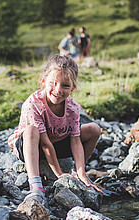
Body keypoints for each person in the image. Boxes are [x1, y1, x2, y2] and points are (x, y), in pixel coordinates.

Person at [7, 55, 103, 206]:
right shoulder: (34, 103)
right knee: (32, 130)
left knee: (94, 129)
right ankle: (35, 185)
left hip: (57, 142)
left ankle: (76, 172)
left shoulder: (73, 108)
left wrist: (82, 174)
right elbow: (45, 144)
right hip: (32, 145)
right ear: (44, 81)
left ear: (73, 87)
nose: (58, 90)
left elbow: (76, 141)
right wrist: (59, 174)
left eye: (65, 86)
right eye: (53, 83)